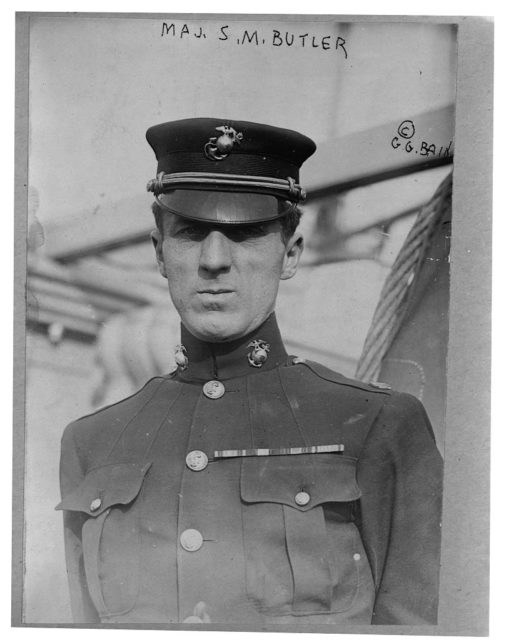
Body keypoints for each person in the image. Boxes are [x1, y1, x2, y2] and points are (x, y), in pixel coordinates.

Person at [57, 117, 443, 626]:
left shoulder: (379, 425)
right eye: (191, 233)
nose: (215, 260)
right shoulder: (92, 443)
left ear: (291, 254)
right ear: (159, 253)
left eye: (244, 234)